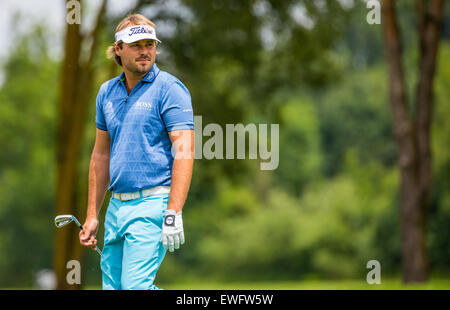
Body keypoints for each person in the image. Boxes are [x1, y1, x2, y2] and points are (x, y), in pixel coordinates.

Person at [78, 13, 195, 290]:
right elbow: (100, 156)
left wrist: (173, 212)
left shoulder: (170, 89)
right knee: (114, 288)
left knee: (135, 287)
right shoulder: (106, 93)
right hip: (116, 208)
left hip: (152, 204)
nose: (145, 51)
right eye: (136, 45)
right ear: (118, 49)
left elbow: (185, 151)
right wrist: (93, 214)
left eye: (150, 44)